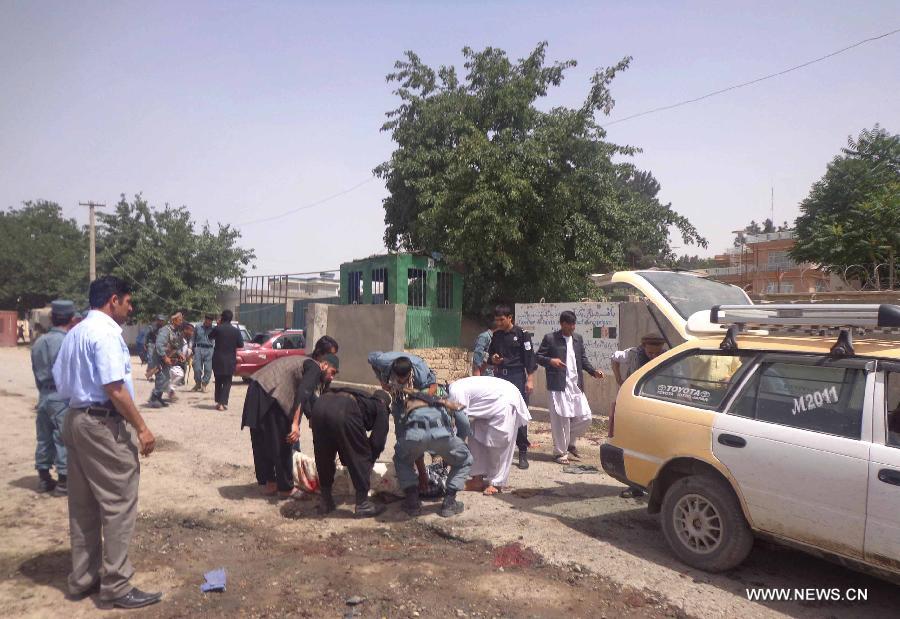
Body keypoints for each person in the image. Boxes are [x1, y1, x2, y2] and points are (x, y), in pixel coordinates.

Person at [52, 276, 160, 609]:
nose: (131, 308)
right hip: (102, 423)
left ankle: (83, 579)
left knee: (83, 506)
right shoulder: (107, 333)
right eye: (129, 302)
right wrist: (142, 427)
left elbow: (60, 381)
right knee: (118, 502)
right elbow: (114, 389)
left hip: (75, 419)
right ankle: (116, 585)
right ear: (113, 300)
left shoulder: (76, 332)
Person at [377, 356, 472, 518]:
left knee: (401, 459)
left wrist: (419, 469)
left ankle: (413, 502)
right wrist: (457, 445)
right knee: (465, 460)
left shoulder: (411, 400)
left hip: (414, 434)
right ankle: (449, 503)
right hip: (442, 433)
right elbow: (464, 423)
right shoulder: (445, 397)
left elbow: (401, 433)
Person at [241, 350, 338, 499]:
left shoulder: (303, 362)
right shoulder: (315, 367)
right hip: (271, 394)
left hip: (257, 388)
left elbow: (306, 397)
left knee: (263, 440)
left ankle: (270, 483)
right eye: (332, 372)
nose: (332, 377)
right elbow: (303, 392)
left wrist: (310, 416)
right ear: (324, 365)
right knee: (284, 442)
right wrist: (294, 424)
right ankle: (286, 488)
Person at [309, 378, 391, 517]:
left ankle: (326, 500)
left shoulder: (363, 398)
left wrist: (348, 455)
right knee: (362, 454)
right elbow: (377, 442)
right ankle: (363, 504)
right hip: (344, 410)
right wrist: (365, 463)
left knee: (324, 455)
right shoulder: (381, 406)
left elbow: (342, 438)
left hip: (319, 406)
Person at [536, 311, 604, 465]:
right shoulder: (550, 338)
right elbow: (538, 357)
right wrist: (551, 361)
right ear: (562, 324)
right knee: (561, 420)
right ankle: (560, 453)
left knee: (585, 417)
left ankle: (568, 443)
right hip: (558, 386)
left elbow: (583, 359)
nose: (573, 327)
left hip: (575, 385)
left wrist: (593, 371)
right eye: (570, 324)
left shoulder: (578, 339)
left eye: (574, 324)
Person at [449, 376, 530, 495]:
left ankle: (496, 483)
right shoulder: (453, 389)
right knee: (475, 435)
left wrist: (451, 451)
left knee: (497, 443)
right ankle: (477, 479)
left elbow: (461, 426)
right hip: (486, 404)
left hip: (504, 400)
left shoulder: (454, 393)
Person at [610, 332, 666, 498]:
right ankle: (634, 486)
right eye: (650, 353)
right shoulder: (632, 353)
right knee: (633, 448)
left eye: (657, 352)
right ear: (643, 347)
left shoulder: (666, 356)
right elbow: (614, 357)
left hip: (656, 407)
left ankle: (653, 486)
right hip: (634, 407)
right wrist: (619, 379)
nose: (654, 356)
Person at [30, 299, 77, 495]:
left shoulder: (39, 341)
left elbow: (35, 370)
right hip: (61, 395)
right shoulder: (68, 341)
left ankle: (43, 479)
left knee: (44, 437)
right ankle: (64, 482)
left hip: (44, 395)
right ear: (72, 318)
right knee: (63, 437)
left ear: (51, 317)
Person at [487, 304, 537, 469]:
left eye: (502, 319)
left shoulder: (522, 335)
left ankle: (522, 452)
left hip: (517, 377)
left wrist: (529, 380)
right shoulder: (496, 336)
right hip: (500, 377)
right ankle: (501, 451)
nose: (499, 323)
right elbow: (490, 355)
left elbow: (530, 358)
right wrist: (493, 358)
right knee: (500, 413)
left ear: (510, 318)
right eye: (497, 320)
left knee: (519, 413)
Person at [209, 309, 243, 411]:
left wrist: (217, 325)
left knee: (218, 381)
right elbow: (241, 344)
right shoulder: (236, 331)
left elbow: (209, 336)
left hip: (218, 359)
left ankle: (219, 402)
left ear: (222, 318)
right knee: (227, 382)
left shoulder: (218, 329)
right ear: (231, 318)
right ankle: (222, 404)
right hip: (230, 360)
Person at [148, 313, 183, 408]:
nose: (181, 321)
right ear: (174, 320)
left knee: (166, 378)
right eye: (179, 320)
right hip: (159, 359)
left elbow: (175, 345)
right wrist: (164, 357)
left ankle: (159, 398)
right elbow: (159, 345)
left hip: (166, 359)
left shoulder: (175, 332)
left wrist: (180, 354)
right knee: (161, 378)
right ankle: (153, 399)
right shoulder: (165, 330)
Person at [191, 314, 215, 392]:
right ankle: (198, 384)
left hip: (209, 349)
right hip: (198, 348)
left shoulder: (214, 328)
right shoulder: (198, 327)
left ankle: (204, 385)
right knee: (197, 368)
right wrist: (192, 348)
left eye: (210, 321)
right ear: (205, 320)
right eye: (207, 320)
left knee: (208, 369)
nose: (209, 322)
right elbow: (193, 338)